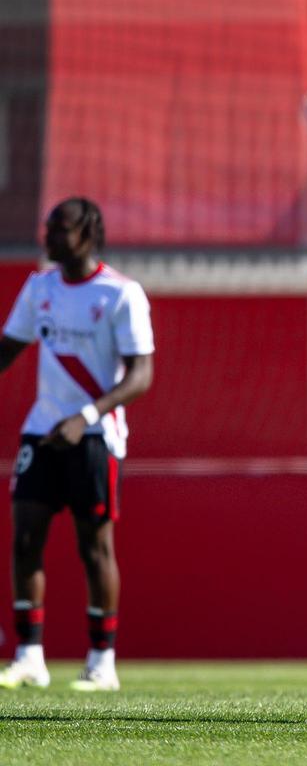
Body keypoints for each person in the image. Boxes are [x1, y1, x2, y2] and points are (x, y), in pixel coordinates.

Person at [0, 197, 154, 691]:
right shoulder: (40, 287)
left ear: (86, 235)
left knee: (94, 548)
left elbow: (141, 375)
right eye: (47, 228)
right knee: (25, 538)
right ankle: (29, 656)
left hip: (95, 436)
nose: (47, 237)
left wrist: (87, 415)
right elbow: (8, 349)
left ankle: (102, 662)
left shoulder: (120, 294)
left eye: (58, 229)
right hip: (42, 430)